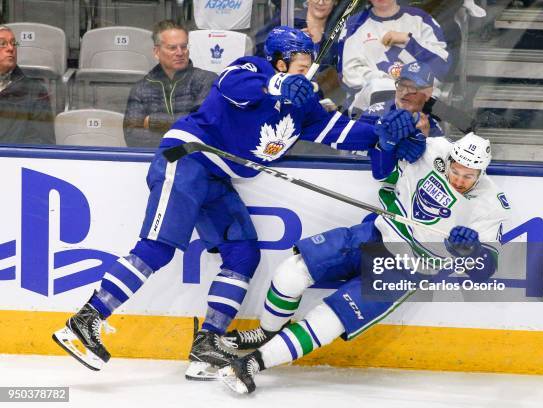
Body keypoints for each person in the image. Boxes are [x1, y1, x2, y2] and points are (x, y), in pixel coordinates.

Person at [51, 26, 416, 380]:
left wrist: (385, 131)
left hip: (216, 179)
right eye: (300, 65)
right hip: (187, 158)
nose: (305, 72)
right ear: (279, 61)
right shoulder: (252, 69)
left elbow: (343, 132)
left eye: (308, 65)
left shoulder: (303, 105)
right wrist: (278, 85)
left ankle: (207, 342)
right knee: (158, 248)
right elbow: (230, 85)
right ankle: (86, 321)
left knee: (243, 253)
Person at [219, 131, 511, 394]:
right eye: (456, 170)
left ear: (481, 173)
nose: (459, 179)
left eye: (468, 176)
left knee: (329, 320)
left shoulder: (490, 203)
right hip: (375, 233)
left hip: (409, 267)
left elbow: (486, 268)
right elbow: (384, 167)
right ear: (449, 160)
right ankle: (266, 332)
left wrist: (472, 250)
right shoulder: (433, 150)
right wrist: (393, 140)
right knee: (290, 274)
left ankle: (253, 364)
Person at [339, 0, 451, 114]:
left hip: (420, 105)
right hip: (372, 108)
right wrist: (388, 80)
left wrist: (408, 41)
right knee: (379, 86)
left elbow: (441, 68)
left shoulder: (420, 19)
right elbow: (349, 74)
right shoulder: (354, 24)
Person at [123, 20, 217, 148]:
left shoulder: (207, 80)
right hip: (151, 161)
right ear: (156, 52)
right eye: (172, 48)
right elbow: (132, 137)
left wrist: (152, 121)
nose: (180, 53)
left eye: (184, 47)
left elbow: (202, 125)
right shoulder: (141, 88)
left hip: (195, 160)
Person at [0, 26, 54, 145]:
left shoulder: (35, 91)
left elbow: (42, 142)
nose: (10, 48)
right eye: (2, 43)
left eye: (13, 43)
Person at [363, 61, 444, 138]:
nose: (404, 92)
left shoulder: (432, 129)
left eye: (413, 88)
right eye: (401, 85)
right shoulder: (375, 113)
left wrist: (425, 140)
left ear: (428, 94)